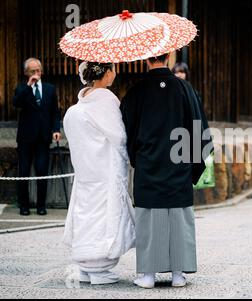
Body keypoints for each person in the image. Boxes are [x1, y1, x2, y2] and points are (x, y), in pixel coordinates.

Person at [121, 53, 211, 289]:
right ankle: (178, 274)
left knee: (149, 218)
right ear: (169, 56)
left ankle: (148, 275)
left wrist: (136, 157)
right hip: (178, 165)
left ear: (145, 59)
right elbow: (200, 128)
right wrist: (191, 166)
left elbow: (126, 132)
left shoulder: (136, 91)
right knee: (178, 217)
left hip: (148, 165)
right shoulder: (184, 88)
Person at [63, 62, 136, 285]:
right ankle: (98, 268)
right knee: (104, 216)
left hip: (86, 173)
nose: (115, 72)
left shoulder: (74, 110)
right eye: (113, 68)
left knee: (85, 212)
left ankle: (85, 267)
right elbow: (121, 137)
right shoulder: (105, 101)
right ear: (106, 73)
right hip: (105, 172)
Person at [12, 58, 61, 216]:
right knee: (24, 172)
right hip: (25, 138)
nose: (36, 73)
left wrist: (56, 129)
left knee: (42, 171)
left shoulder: (49, 89)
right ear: (27, 72)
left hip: (43, 137)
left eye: (38, 70)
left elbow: (55, 111)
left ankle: (41, 206)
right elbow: (17, 103)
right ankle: (24, 206)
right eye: (33, 71)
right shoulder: (22, 89)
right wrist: (29, 85)